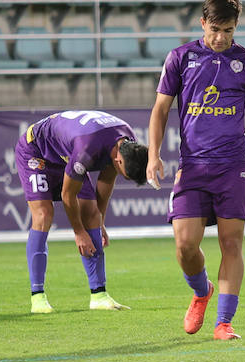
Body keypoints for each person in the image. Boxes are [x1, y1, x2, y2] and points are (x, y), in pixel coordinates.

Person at [147, 0, 245, 340]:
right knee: (185, 246)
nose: (220, 37)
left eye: (228, 31)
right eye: (215, 29)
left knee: (231, 244)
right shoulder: (180, 58)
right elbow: (160, 110)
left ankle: (224, 323)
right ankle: (202, 292)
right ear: (203, 23)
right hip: (193, 167)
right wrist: (154, 154)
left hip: (233, 166)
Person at [15, 109, 150, 314]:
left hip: (66, 154)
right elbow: (67, 195)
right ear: (119, 160)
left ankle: (99, 295)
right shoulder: (87, 149)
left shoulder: (127, 141)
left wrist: (100, 221)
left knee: (92, 214)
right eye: (126, 174)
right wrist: (79, 232)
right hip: (36, 150)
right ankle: (38, 297)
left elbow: (106, 179)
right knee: (43, 215)